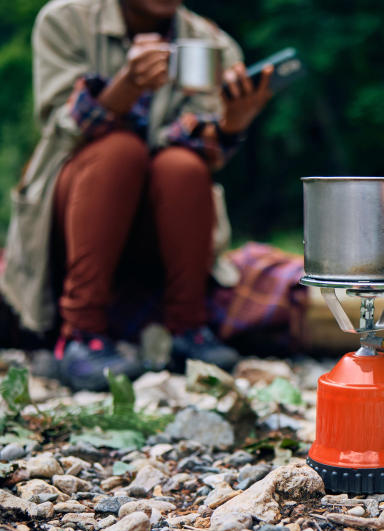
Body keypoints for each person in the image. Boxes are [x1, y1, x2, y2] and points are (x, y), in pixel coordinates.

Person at [2, 0, 273, 391]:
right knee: (119, 151)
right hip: (76, 217)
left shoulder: (214, 45)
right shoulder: (63, 20)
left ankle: (188, 329)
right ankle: (81, 335)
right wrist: (125, 87)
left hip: (155, 228)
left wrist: (232, 125)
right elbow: (62, 131)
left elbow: (196, 148)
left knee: (181, 166)